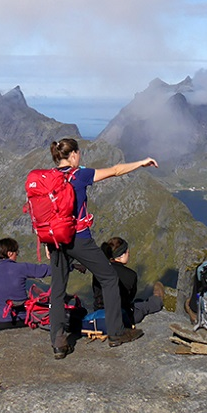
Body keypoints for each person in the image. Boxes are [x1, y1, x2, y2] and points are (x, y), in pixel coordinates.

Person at [44, 138, 158, 359]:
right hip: (79, 239)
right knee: (108, 278)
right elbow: (116, 170)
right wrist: (142, 162)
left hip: (56, 240)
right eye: (79, 153)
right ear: (74, 155)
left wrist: (47, 242)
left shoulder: (48, 178)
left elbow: (46, 213)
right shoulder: (80, 174)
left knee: (57, 290)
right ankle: (116, 333)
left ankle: (58, 343)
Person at [92, 237, 164, 327]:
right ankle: (158, 299)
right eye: (127, 252)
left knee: (137, 302)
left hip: (99, 314)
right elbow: (129, 298)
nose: (129, 254)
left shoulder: (99, 271)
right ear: (121, 255)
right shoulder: (130, 275)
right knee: (144, 306)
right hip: (121, 317)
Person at [0, 238, 51, 330]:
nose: (17, 255)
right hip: (23, 320)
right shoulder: (22, 268)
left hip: (0, 322)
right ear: (10, 253)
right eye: (16, 252)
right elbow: (44, 270)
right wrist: (69, 266)